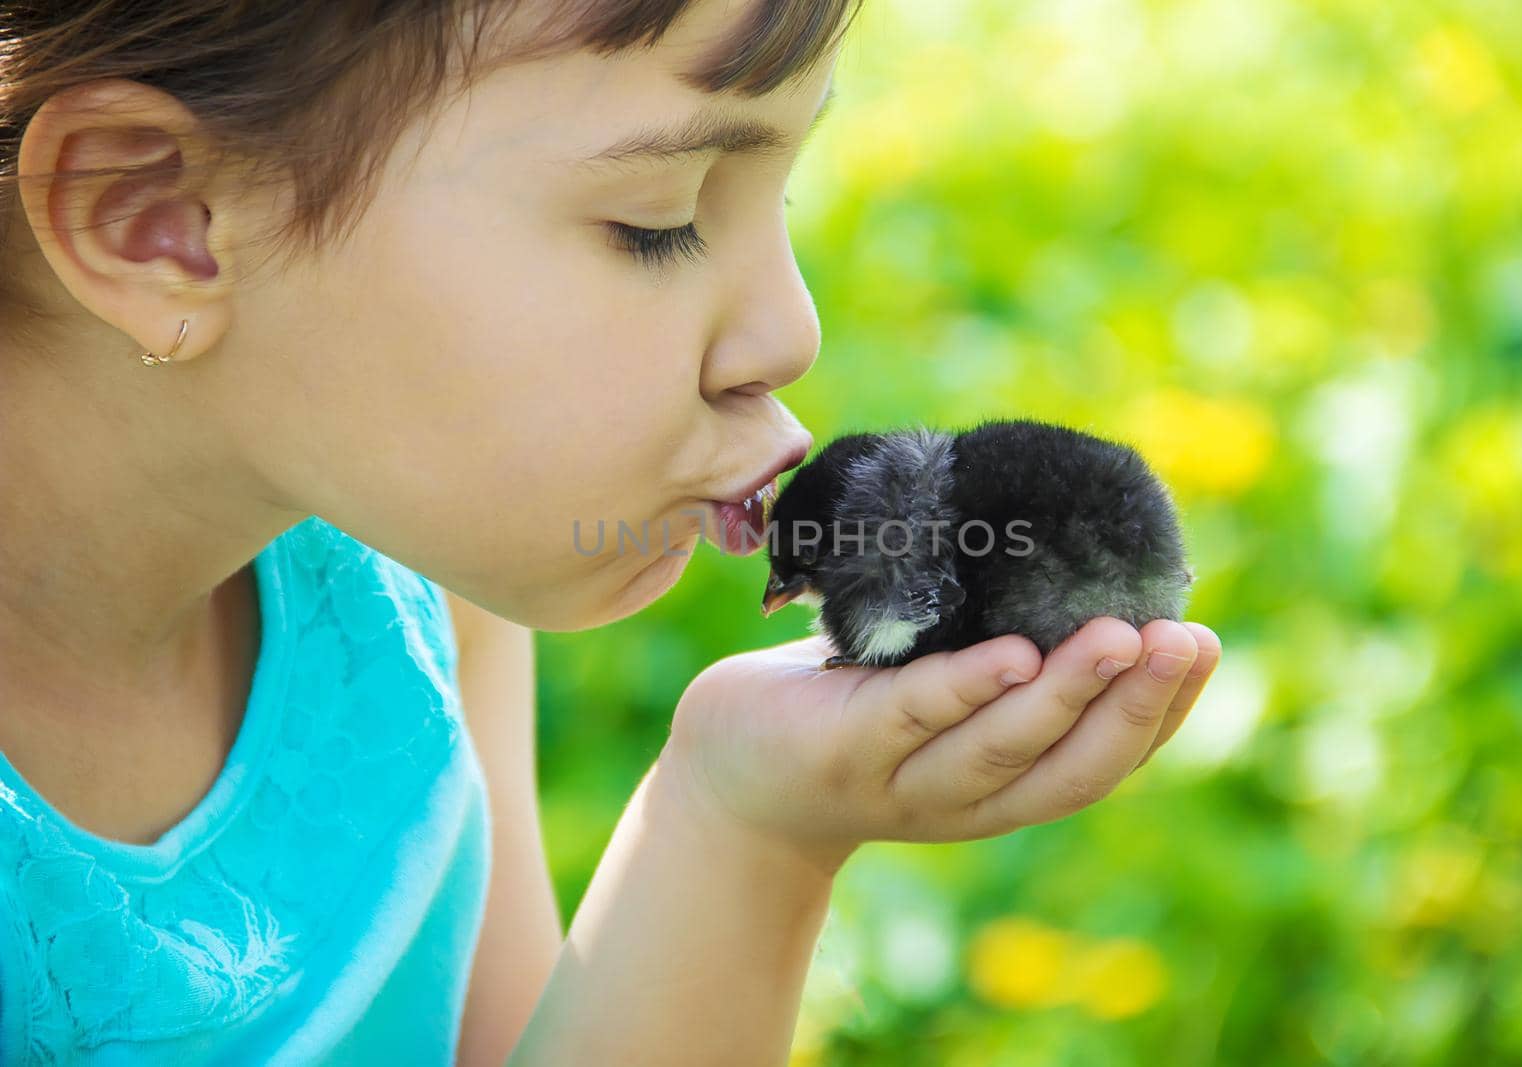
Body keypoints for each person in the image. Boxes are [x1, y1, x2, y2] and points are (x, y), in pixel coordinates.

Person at [0, 1, 1222, 1064]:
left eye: (776, 192)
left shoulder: (413, 599)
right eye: (658, 216)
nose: (790, 332)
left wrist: (748, 826)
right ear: (158, 217)